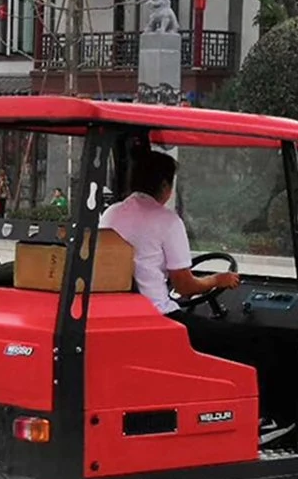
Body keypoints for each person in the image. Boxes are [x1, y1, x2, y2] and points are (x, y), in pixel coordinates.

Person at [99, 149, 240, 360]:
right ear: (165, 186)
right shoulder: (168, 221)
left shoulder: (112, 213)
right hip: (156, 316)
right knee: (240, 341)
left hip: (115, 314)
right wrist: (218, 280)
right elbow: (184, 286)